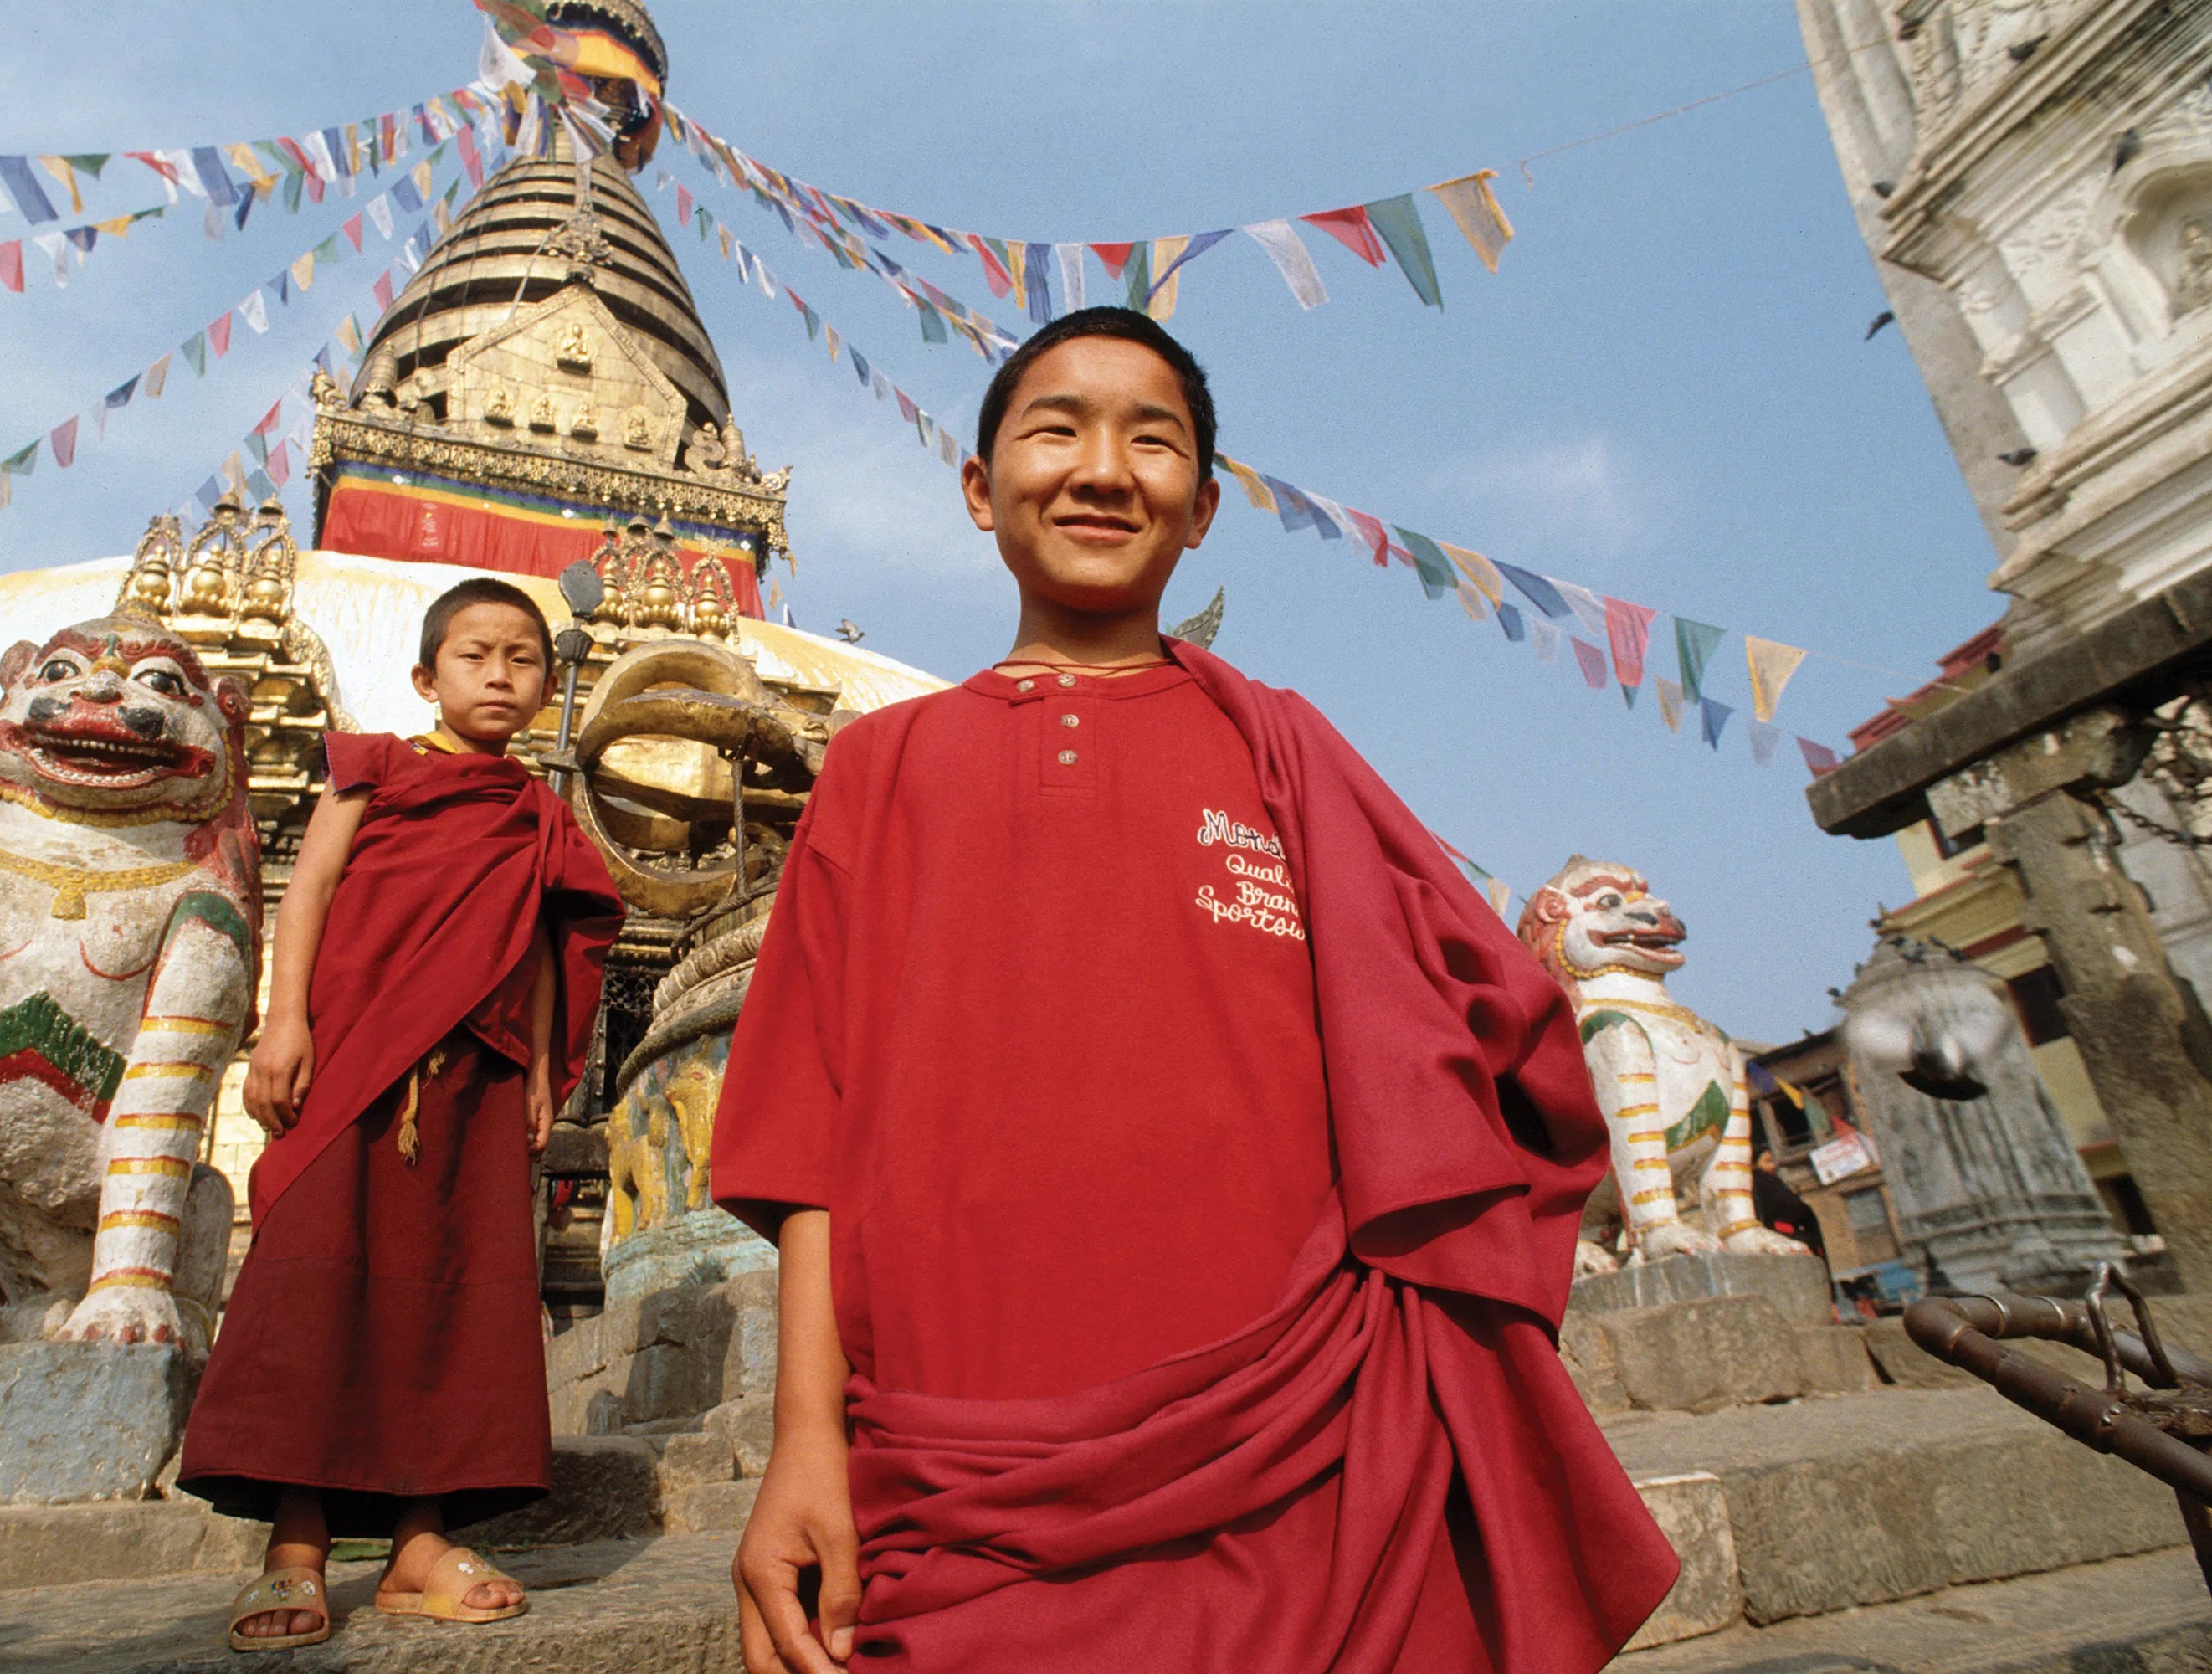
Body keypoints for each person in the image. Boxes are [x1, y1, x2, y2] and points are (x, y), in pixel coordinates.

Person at [710, 307, 1679, 1674]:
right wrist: (805, 1442)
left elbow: (1481, 1030)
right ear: (981, 490)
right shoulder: (881, 765)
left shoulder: (1278, 747)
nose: (1103, 469)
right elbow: (809, 1133)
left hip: (1308, 1435)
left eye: (1150, 440)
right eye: (1055, 429)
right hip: (959, 1452)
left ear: (1205, 509)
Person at [177, 577, 624, 1652]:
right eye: (476, 655)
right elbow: (313, 887)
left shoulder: (538, 810)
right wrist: (283, 1022)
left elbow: (546, 943)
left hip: (479, 1071)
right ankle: (297, 1540)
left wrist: (545, 1072)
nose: (501, 675)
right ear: (429, 677)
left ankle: (421, 1541)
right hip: (356, 1052)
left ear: (547, 684)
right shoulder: (369, 769)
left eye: (524, 659)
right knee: (313, 1273)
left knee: (454, 1291)